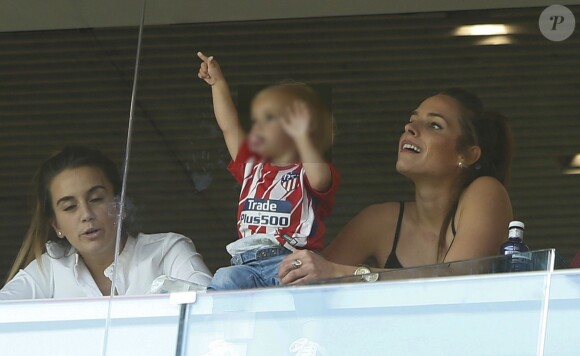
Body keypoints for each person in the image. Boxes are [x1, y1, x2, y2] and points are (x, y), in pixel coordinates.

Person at [279, 88, 513, 285]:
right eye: (412, 121)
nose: (409, 128)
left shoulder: (486, 192)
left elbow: (453, 282)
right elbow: (315, 281)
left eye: (434, 125)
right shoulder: (378, 220)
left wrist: (344, 273)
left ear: (467, 155)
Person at [197, 52, 339, 290]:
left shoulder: (310, 170)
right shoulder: (252, 166)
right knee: (223, 279)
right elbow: (229, 126)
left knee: (302, 294)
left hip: (291, 261)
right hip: (246, 263)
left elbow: (320, 178)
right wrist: (218, 84)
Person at [0, 146, 212, 300]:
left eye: (96, 199)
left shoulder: (167, 252)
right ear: (56, 225)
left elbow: (212, 308)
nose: (86, 214)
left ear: (120, 204)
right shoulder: (49, 270)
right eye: (69, 207)